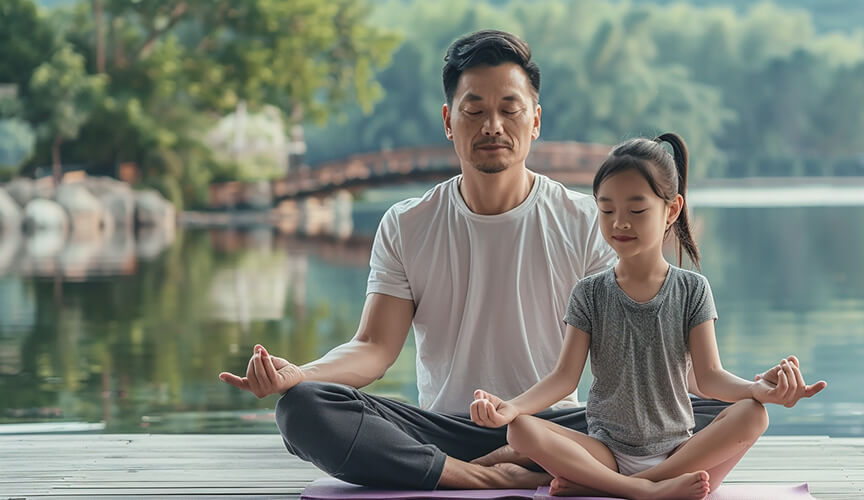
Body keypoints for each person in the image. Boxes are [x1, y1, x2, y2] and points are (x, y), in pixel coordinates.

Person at [218, 30, 820, 491]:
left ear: (535, 120)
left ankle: (546, 467)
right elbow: (374, 349)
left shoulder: (588, 219)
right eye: (474, 109)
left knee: (724, 413)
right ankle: (481, 477)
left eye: (510, 108)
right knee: (304, 410)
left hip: (567, 428)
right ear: (449, 121)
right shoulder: (406, 223)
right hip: (445, 429)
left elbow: (654, 353)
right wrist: (301, 374)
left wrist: (755, 389)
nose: (493, 125)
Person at [469, 133, 827, 500]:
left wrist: (756, 390)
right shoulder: (589, 292)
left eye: (636, 211)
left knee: (754, 414)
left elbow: (709, 377)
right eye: (607, 210)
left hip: (681, 455)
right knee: (520, 431)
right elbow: (563, 378)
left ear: (671, 210)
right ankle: (638, 489)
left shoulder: (692, 289)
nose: (619, 223)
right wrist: (509, 407)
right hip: (605, 453)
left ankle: (624, 485)